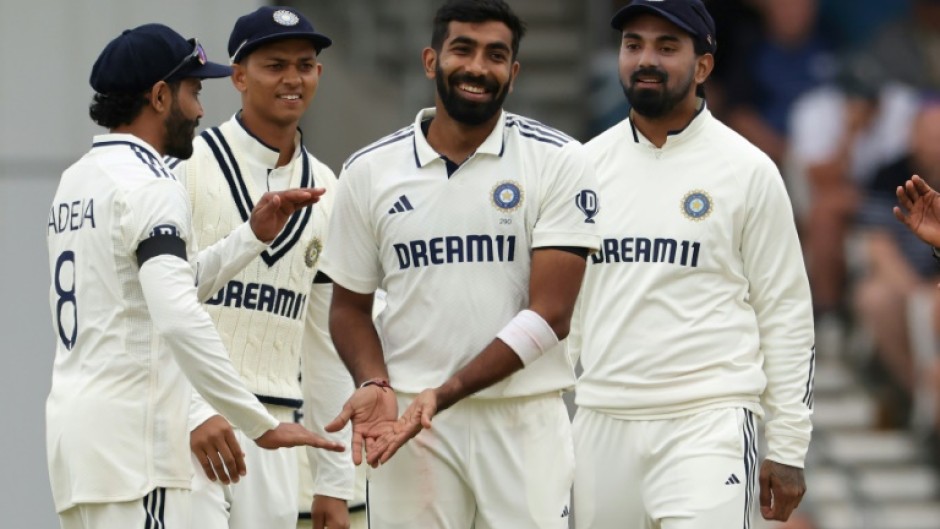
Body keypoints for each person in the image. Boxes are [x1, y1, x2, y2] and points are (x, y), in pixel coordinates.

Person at [46, 23, 343, 529]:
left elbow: (158, 287)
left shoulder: (77, 180)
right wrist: (257, 424)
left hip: (79, 444)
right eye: (194, 91)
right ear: (161, 96)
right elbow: (178, 315)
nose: (202, 109)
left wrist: (249, 237)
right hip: (139, 448)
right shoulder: (154, 182)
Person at [318, 0, 601, 527]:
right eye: (462, 50)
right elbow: (349, 309)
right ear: (431, 61)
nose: (477, 67)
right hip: (409, 423)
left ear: (513, 74)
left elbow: (552, 315)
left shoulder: (560, 159)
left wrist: (443, 394)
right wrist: (375, 384)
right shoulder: (369, 170)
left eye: (496, 55)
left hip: (523, 419)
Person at [570, 1, 815, 527]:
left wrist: (789, 444)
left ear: (703, 66)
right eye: (633, 44)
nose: (645, 60)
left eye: (666, 47)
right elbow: (560, 312)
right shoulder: (580, 168)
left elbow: (786, 312)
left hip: (709, 420)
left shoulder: (748, 169)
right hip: (601, 418)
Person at [169, 7, 356, 529]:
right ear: (238, 76)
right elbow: (152, 307)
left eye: (305, 64)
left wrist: (333, 483)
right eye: (275, 65)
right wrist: (190, 412)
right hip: (191, 427)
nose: (293, 78)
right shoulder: (188, 164)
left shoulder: (328, 186)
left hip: (276, 433)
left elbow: (326, 344)